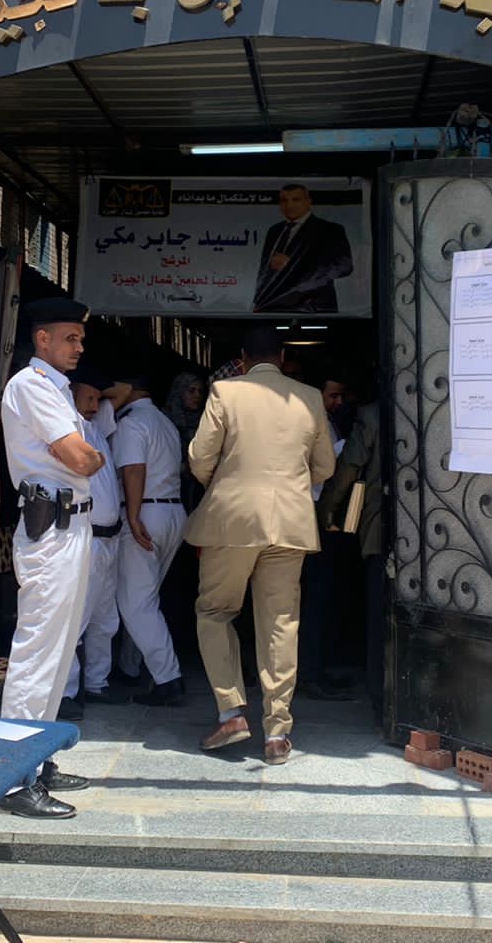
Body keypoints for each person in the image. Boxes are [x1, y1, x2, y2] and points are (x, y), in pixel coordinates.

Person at [189, 326, 335, 764]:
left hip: (232, 520)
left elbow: (200, 457)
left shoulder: (225, 392)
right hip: (290, 522)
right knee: (280, 622)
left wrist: (225, 486)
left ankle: (231, 712)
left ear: (242, 357)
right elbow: (325, 466)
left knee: (215, 611)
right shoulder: (309, 397)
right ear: (283, 356)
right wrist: (291, 486)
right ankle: (276, 733)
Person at [0, 298, 103, 819]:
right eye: (70, 338)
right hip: (52, 528)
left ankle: (38, 757)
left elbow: (80, 458)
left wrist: (84, 458)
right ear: (42, 339)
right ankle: (14, 777)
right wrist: (88, 457)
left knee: (59, 651)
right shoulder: (32, 385)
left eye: (81, 340)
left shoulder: (56, 388)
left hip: (72, 524)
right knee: (38, 651)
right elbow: (83, 458)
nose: (78, 347)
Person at [58, 366, 131, 721]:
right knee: (76, 620)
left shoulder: (98, 426)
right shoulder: (68, 427)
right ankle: (66, 692)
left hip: (110, 538)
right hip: (86, 538)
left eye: (98, 399)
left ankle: (97, 682)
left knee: (105, 618)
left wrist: (98, 391)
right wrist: (73, 393)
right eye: (88, 398)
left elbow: (123, 390)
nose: (94, 404)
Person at [112, 372, 188, 706]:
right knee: (145, 597)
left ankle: (168, 679)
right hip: (172, 512)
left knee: (136, 603)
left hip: (144, 512)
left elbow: (133, 469)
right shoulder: (165, 421)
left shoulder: (131, 422)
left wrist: (132, 515)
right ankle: (130, 667)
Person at [318, 391, 384, 722]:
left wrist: (327, 510)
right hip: (429, 529)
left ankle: (382, 697)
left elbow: (349, 467)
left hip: (381, 528)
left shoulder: (371, 415)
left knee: (378, 609)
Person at [300, 374, 353, 700]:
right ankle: (308, 672)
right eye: (333, 395)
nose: (339, 402)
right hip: (308, 517)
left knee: (321, 596)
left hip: (320, 518)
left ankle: (315, 668)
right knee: (313, 597)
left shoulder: (325, 422)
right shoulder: (306, 424)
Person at [251, 183, 353, 314]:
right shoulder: (274, 230)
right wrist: (258, 300)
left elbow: (344, 267)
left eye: (296, 200)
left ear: (308, 202)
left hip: (313, 308)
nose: (289, 205)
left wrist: (292, 265)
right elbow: (265, 270)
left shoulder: (330, 229)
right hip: (273, 307)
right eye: (284, 200)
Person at [163, 372, 207, 511]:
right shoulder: (165, 420)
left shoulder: (206, 422)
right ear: (180, 391)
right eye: (191, 391)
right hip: (169, 491)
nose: (197, 396)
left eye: (200, 391)